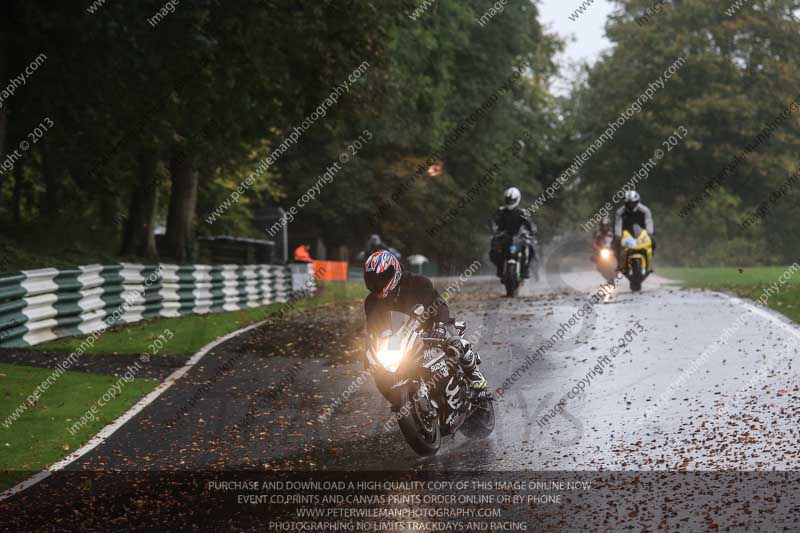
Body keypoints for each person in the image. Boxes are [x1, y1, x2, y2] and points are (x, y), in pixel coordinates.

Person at [363, 250, 487, 390]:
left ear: (393, 271)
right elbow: (373, 329)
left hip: (432, 330)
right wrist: (369, 351)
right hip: (400, 341)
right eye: (373, 280)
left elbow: (439, 306)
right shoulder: (371, 302)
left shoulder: (419, 283)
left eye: (381, 278)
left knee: (454, 342)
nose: (377, 283)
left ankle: (473, 372)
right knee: (381, 373)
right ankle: (400, 403)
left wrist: (440, 326)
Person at [490, 187, 535, 278]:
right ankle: (499, 267)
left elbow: (530, 223)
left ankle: (526, 268)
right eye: (508, 200)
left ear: (517, 199)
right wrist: (493, 228)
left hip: (518, 237)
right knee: (493, 250)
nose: (510, 202)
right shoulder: (500, 211)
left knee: (531, 249)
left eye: (512, 200)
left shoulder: (522, 212)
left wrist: (532, 231)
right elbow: (493, 221)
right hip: (504, 236)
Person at [614, 191, 655, 267]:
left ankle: (650, 258)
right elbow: (618, 224)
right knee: (616, 243)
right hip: (626, 233)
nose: (631, 205)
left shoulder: (645, 210)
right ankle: (619, 263)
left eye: (633, 203)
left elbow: (649, 221)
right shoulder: (620, 212)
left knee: (653, 240)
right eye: (629, 203)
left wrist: (650, 233)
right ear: (625, 203)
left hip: (642, 232)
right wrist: (618, 235)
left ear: (637, 202)